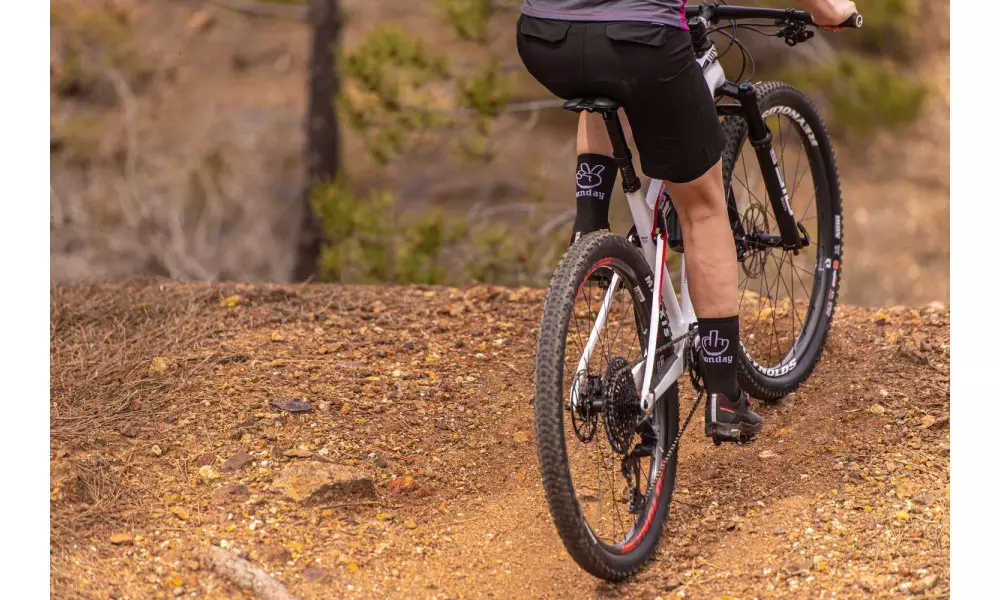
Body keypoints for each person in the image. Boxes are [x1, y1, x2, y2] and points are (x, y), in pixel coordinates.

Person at [516, 0, 857, 443]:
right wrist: (828, 8)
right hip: (641, 39)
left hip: (544, 35)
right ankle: (724, 395)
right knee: (702, 208)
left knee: (600, 71)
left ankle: (589, 230)